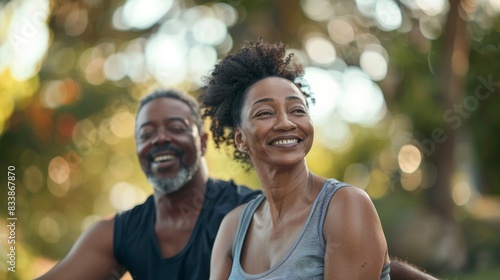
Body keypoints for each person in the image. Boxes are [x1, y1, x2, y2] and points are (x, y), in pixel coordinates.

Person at [199, 39, 432, 280]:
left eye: (297, 110)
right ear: (240, 138)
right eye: (265, 113)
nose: (286, 123)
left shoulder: (344, 206)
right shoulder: (233, 228)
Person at [35, 89, 261, 279]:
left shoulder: (252, 211)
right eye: (146, 133)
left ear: (202, 143)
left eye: (175, 128)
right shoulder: (122, 232)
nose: (160, 138)